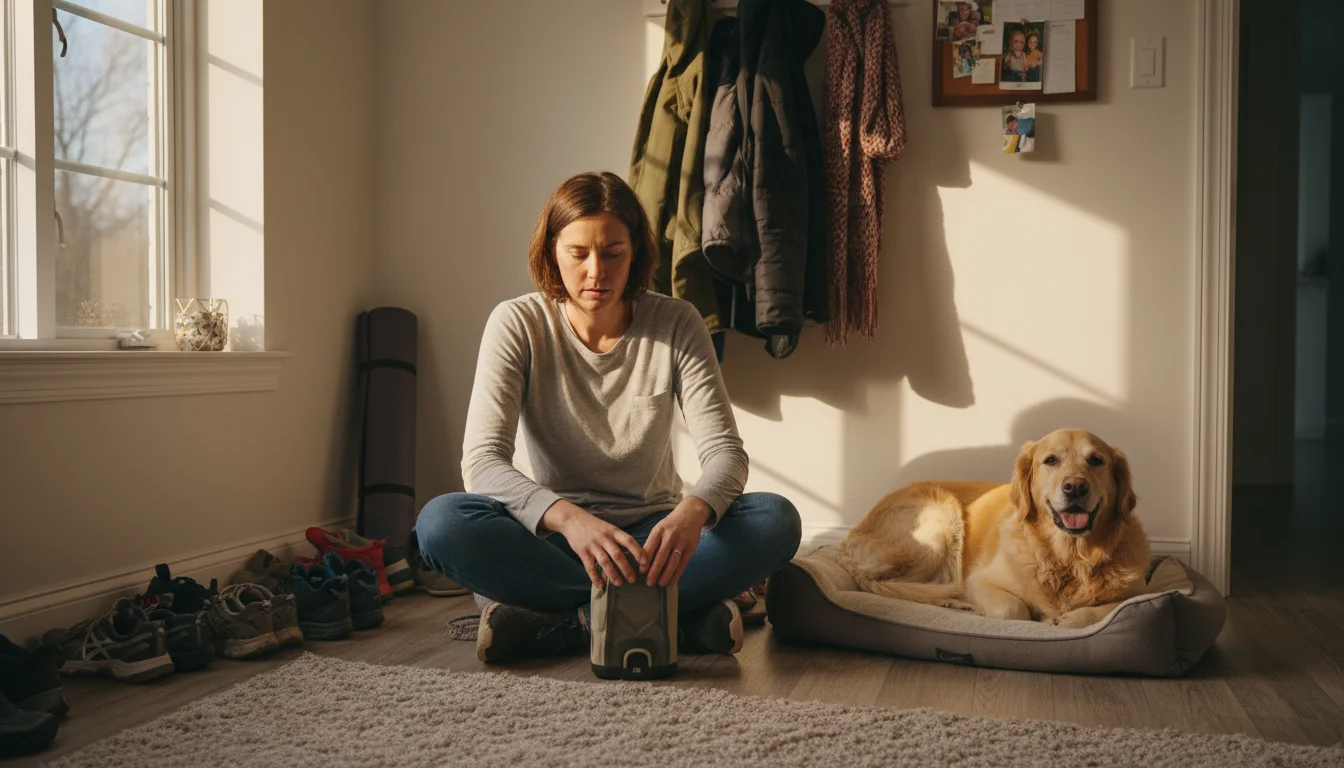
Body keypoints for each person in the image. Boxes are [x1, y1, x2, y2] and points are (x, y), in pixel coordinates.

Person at [415, 171, 802, 664]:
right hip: (556, 541)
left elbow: (725, 452)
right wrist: (570, 520)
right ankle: (671, 616)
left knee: (776, 520)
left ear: (636, 252)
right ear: (552, 251)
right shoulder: (517, 323)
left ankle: (561, 621)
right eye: (578, 253)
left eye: (613, 252)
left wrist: (693, 512)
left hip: (658, 543)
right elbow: (483, 464)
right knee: (441, 522)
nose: (596, 271)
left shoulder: (678, 322)